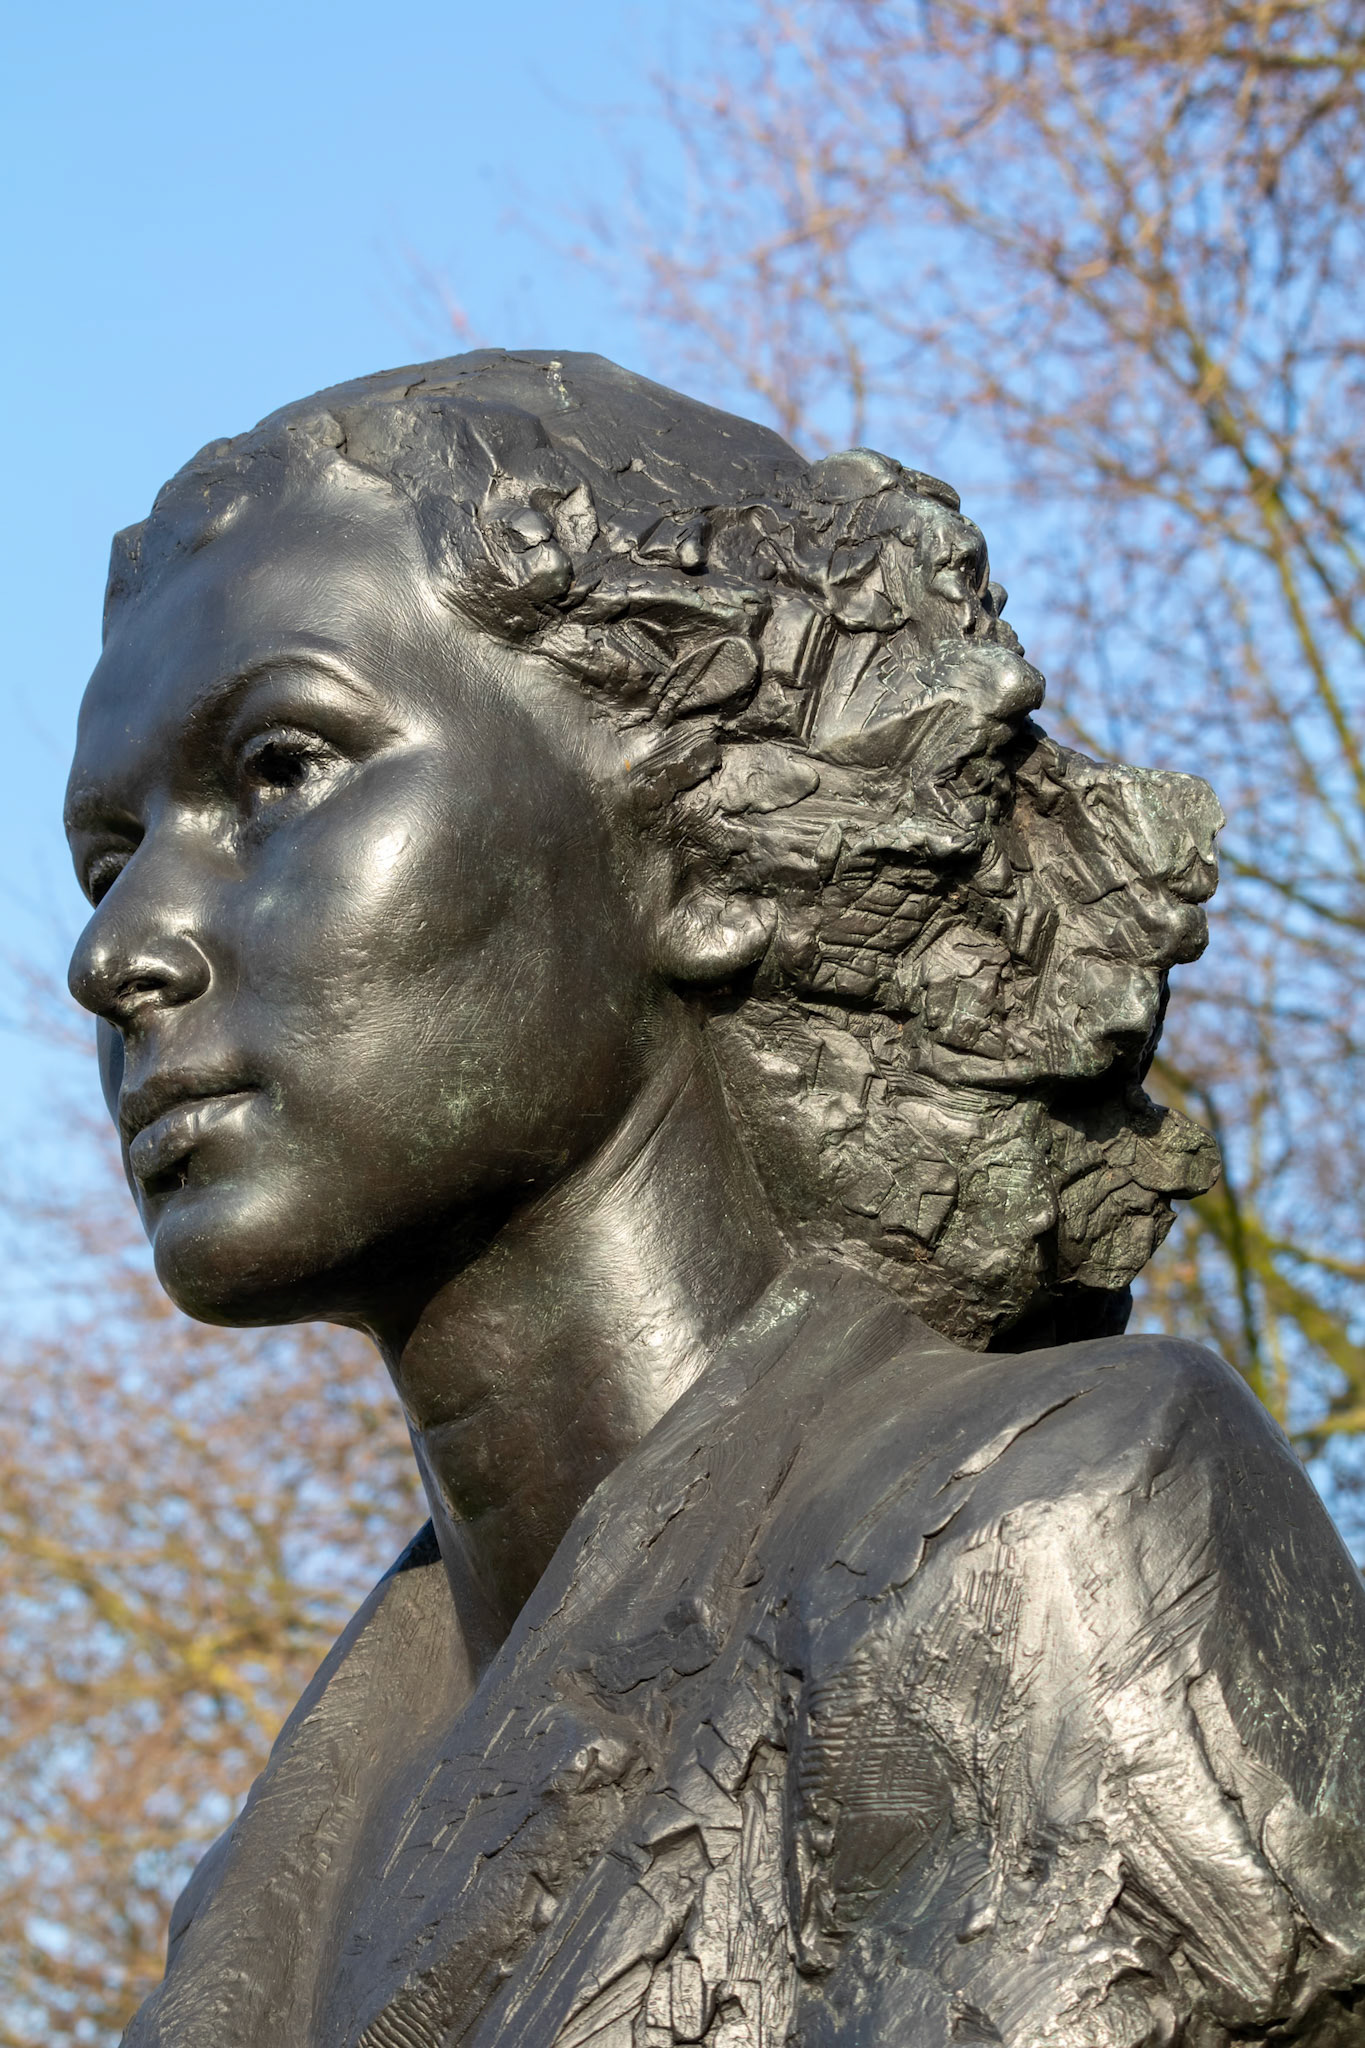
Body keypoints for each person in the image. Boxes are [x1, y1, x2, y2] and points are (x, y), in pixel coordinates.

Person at [64, 352, 1365, 2047]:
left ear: (691, 843)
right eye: (110, 855)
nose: (118, 952)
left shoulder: (1046, 1543)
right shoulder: (277, 1871)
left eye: (286, 768)